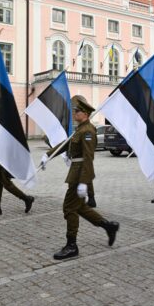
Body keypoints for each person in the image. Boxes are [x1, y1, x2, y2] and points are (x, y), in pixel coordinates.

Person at [41, 95, 119, 260]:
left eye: (76, 111)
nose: (74, 114)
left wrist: (84, 183)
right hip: (75, 174)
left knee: (69, 208)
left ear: (84, 113)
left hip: (79, 176)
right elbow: (66, 144)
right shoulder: (80, 129)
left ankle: (72, 245)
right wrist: (48, 155)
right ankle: (109, 226)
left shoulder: (88, 131)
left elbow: (88, 158)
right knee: (80, 208)